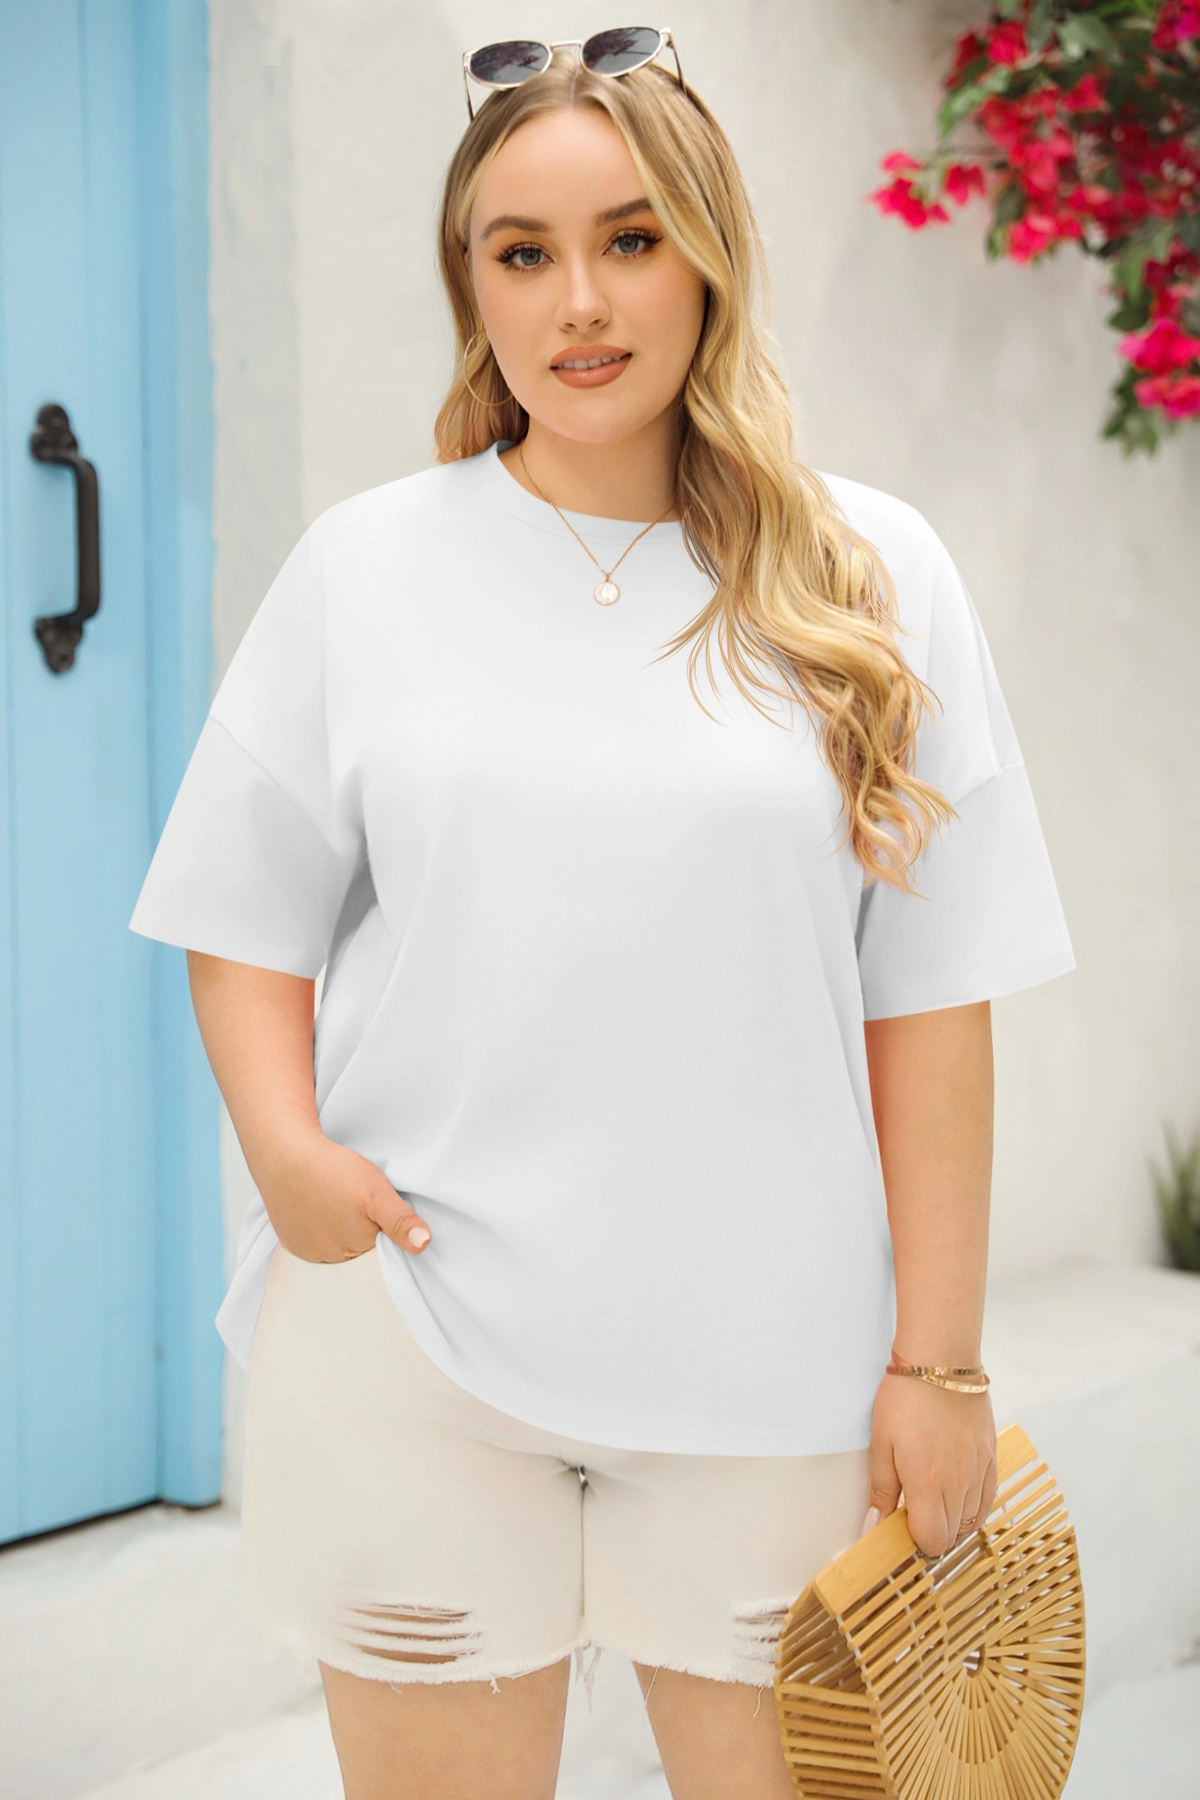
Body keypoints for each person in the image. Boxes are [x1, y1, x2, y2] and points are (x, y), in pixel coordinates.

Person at [130, 32, 1075, 1800]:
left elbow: (934, 996)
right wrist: (284, 1148)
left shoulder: (871, 578)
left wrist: (939, 1366)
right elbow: (241, 910)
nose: (580, 301)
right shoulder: (365, 571)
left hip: (774, 1380)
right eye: (525, 251)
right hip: (414, 1352)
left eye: (632, 240)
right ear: (470, 283)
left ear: (710, 253)